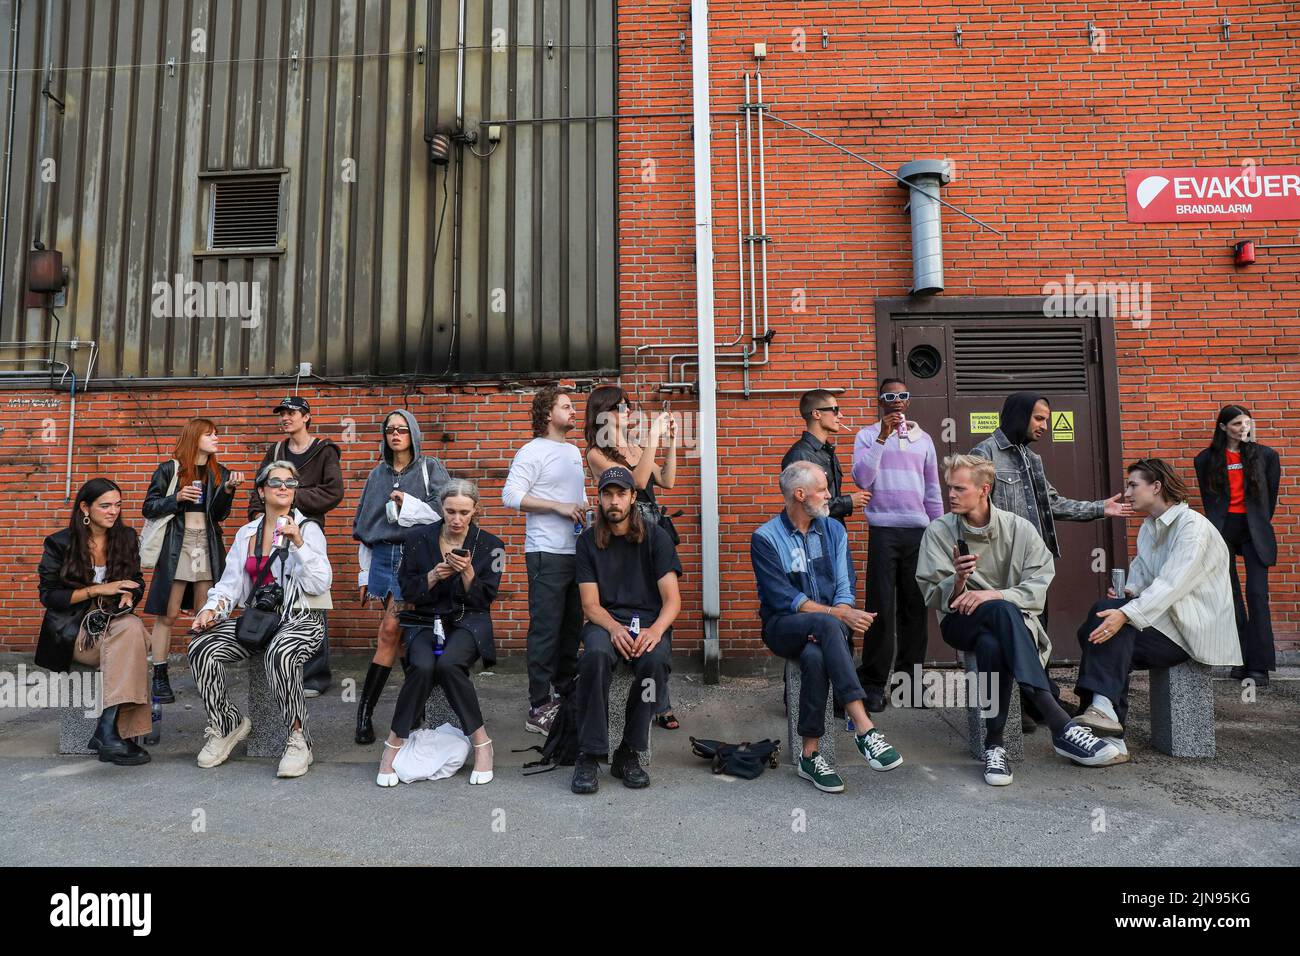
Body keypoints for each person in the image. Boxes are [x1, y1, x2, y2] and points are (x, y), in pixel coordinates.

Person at [916, 454, 1119, 786]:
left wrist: (994, 595)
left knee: (993, 638)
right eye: (948, 487)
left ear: (984, 489)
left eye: (958, 488)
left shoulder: (1019, 528)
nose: (949, 494)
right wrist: (957, 580)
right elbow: (933, 597)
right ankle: (1058, 721)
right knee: (1000, 613)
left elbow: (1039, 583)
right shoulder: (938, 531)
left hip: (1007, 624)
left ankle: (995, 745)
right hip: (959, 623)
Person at [970, 391, 1133, 731]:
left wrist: (1101, 508)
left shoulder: (1033, 460)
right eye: (1039, 418)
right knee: (1011, 634)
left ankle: (1036, 700)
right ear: (1019, 415)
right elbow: (973, 513)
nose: (1044, 425)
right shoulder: (983, 455)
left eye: (1046, 419)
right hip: (1002, 567)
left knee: (1037, 634)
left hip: (1035, 565)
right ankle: (1021, 704)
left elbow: (1053, 504)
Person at [1072, 459, 1242, 761]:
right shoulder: (1150, 528)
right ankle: (1101, 715)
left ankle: (1099, 718)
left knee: (1109, 624)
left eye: (1133, 485)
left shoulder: (1193, 527)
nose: (1126, 493)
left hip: (1189, 631)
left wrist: (1126, 611)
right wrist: (1127, 595)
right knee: (1102, 621)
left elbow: (1172, 584)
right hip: (1162, 623)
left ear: (1156, 486)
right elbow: (1142, 577)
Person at [751, 461, 904, 794]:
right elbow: (783, 598)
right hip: (782, 626)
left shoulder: (834, 530)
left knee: (817, 655)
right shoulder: (765, 538)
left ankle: (810, 754)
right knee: (824, 623)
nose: (830, 495)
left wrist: (843, 611)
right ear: (800, 494)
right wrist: (839, 615)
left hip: (829, 629)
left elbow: (845, 587)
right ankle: (864, 728)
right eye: (823, 489)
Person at [190, 461, 333, 778]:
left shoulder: (308, 530)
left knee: (280, 651)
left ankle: (298, 739)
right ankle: (227, 722)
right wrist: (212, 610)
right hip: (260, 621)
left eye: (291, 483)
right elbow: (230, 586)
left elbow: (321, 584)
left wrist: (298, 544)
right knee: (202, 645)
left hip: (302, 621)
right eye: (276, 482)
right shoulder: (247, 534)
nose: (284, 487)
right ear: (261, 491)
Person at [375, 480, 503, 787]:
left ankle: (482, 743)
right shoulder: (418, 538)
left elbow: (486, 599)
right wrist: (433, 575)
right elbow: (407, 589)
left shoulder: (491, 545)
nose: (456, 519)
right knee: (421, 666)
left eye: (463, 512)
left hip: (467, 620)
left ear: (475, 511)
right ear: (441, 510)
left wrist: (468, 572)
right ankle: (394, 742)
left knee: (448, 665)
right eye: (450, 512)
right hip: (424, 619)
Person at [570, 467, 682, 794]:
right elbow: (590, 605)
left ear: (634, 497)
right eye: (608, 494)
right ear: (599, 498)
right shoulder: (588, 542)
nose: (614, 501)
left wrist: (656, 631)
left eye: (621, 494)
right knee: (595, 657)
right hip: (605, 621)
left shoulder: (656, 537)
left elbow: (672, 601)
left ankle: (628, 752)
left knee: (654, 665)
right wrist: (615, 628)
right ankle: (589, 754)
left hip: (649, 623)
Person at [583, 384, 683, 730]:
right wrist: (653, 435)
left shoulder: (637, 446)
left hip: (651, 530)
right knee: (628, 603)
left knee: (660, 611)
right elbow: (637, 483)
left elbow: (666, 481)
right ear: (603, 413)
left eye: (628, 407)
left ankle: (660, 701)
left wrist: (667, 442)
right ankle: (638, 700)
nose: (628, 413)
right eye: (621, 408)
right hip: (622, 532)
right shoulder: (597, 453)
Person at [351, 410, 450, 744]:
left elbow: (445, 512)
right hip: (383, 556)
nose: (396, 435)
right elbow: (367, 528)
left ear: (413, 434)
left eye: (402, 429)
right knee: (399, 633)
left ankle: (365, 713)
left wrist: (407, 503)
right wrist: (364, 573)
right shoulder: (377, 475)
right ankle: (410, 708)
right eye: (390, 429)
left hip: (415, 555)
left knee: (390, 630)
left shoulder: (429, 468)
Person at [37, 479, 152, 765]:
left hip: (112, 621)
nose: (113, 511)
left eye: (118, 505)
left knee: (133, 629)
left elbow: (135, 580)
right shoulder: (59, 543)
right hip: (73, 632)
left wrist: (129, 596)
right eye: (105, 506)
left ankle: (108, 728)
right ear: (85, 508)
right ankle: (116, 733)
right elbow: (49, 596)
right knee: (136, 638)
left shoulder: (125, 537)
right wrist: (98, 589)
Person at [850, 377, 943, 712]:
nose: (897, 400)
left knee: (915, 610)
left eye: (903, 395)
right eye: (890, 395)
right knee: (879, 609)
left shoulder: (925, 440)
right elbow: (862, 478)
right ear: (880, 401)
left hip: (917, 533)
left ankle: (910, 686)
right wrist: (882, 437)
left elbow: (933, 491)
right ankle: (873, 683)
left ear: (908, 401)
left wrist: (940, 533)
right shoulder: (865, 436)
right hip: (884, 530)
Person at [502, 386, 588, 736]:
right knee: (545, 630)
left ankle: (564, 696)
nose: (573, 411)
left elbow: (577, 498)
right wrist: (558, 507)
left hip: (576, 552)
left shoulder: (573, 452)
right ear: (548, 414)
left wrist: (584, 512)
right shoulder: (531, 451)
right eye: (566, 406)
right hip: (545, 553)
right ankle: (538, 706)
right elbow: (511, 496)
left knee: (571, 627)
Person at [142, 418, 244, 703]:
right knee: (168, 613)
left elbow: (218, 515)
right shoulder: (169, 469)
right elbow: (148, 507)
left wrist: (227, 490)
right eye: (210, 435)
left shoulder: (218, 472)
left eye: (216, 434)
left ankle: (204, 672)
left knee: (205, 614)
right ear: (194, 437)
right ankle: (160, 676)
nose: (216, 439)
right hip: (178, 543)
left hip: (206, 544)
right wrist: (177, 497)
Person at [248, 395, 343, 696]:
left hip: (306, 529)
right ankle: (281, 666)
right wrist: (258, 517)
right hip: (274, 528)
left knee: (311, 595)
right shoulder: (275, 450)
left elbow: (333, 492)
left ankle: (315, 676)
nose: (285, 418)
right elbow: (259, 485)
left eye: (291, 413)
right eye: (282, 414)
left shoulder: (324, 450)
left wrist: (289, 495)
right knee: (278, 593)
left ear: (306, 417)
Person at [1194, 405, 1280, 686]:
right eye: (1236, 425)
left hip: (1254, 531)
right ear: (1222, 428)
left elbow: (1271, 497)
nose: (1243, 428)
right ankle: (1241, 659)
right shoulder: (1206, 459)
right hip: (1224, 531)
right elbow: (1210, 500)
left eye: (1246, 423)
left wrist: (1256, 522)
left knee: (1256, 594)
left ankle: (1260, 666)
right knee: (1230, 597)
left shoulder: (1267, 456)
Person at [781, 388, 871, 527]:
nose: (840, 415)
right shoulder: (800, 455)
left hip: (831, 530)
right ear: (816, 414)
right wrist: (849, 502)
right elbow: (804, 502)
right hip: (814, 534)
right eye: (835, 410)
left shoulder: (826, 450)